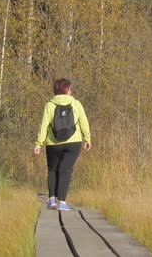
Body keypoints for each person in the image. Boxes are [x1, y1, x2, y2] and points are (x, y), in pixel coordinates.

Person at [34, 78, 91, 211]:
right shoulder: (76, 104)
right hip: (73, 142)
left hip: (53, 144)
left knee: (52, 169)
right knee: (65, 170)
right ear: (67, 90)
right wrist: (88, 138)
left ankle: (52, 200)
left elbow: (44, 126)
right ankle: (62, 202)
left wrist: (38, 143)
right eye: (70, 88)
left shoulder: (50, 105)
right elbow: (84, 121)